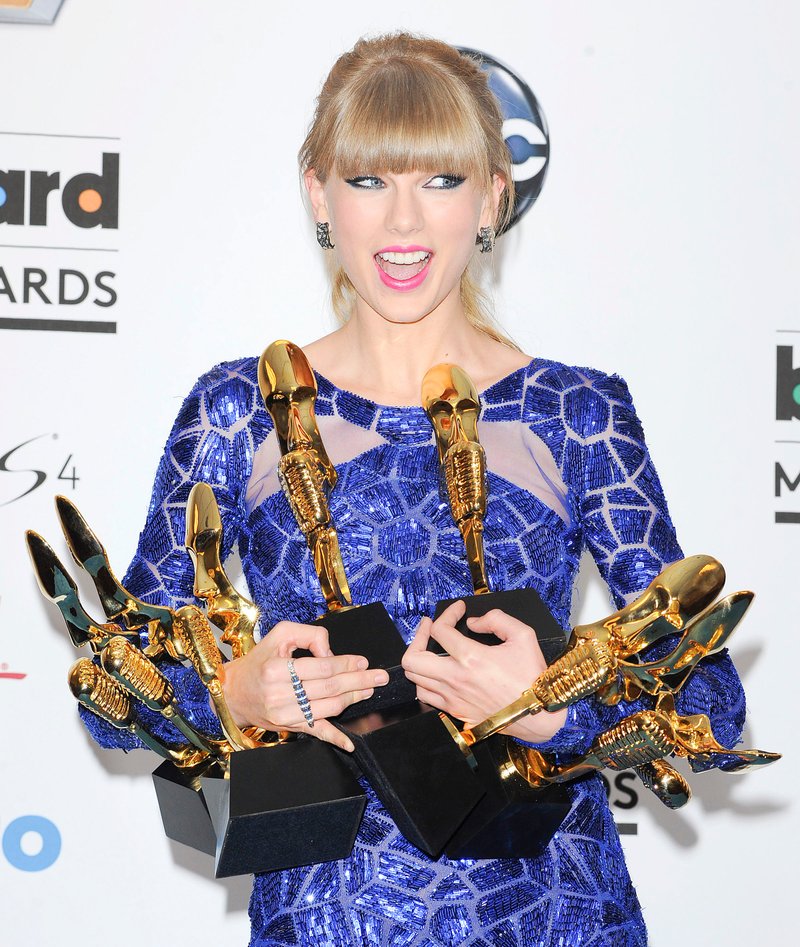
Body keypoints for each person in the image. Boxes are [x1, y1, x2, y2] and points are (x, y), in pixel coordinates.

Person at [81, 32, 745, 947]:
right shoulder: (240, 411)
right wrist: (236, 692)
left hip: (554, 911)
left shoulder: (576, 411)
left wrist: (559, 702)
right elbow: (110, 684)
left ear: (493, 199)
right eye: (369, 182)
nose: (403, 224)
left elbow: (709, 699)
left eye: (438, 182)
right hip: (326, 915)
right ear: (318, 192)